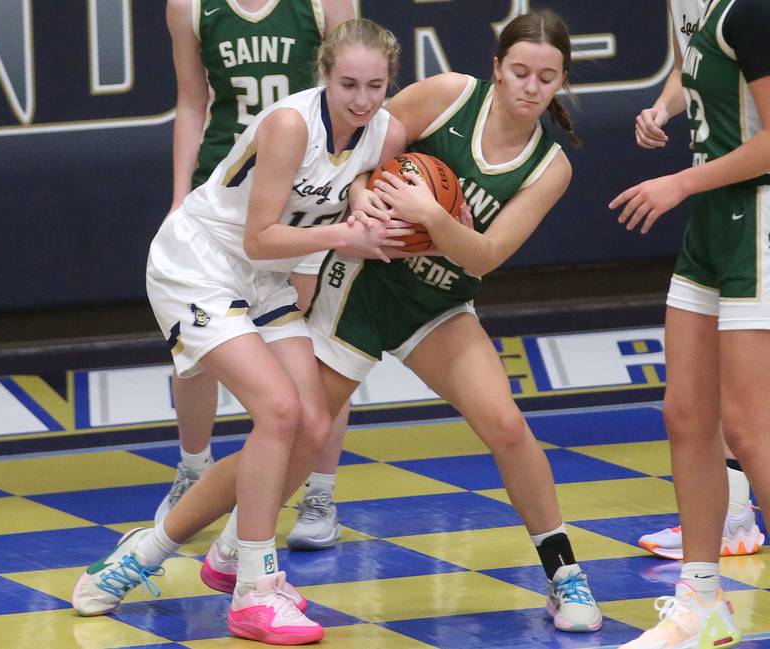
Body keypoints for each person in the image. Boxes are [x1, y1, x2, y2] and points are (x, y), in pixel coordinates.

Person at [73, 18, 408, 645]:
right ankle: (255, 590)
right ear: (324, 76)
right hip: (198, 265)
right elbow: (260, 236)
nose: (362, 100)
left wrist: (364, 198)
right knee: (279, 410)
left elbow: (361, 175)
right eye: (348, 85)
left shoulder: (382, 130)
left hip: (263, 281)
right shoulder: (289, 125)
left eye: (376, 86)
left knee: (313, 422)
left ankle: (162, 556)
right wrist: (348, 235)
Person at [301, 9, 603, 633]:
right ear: (497, 68)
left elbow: (484, 256)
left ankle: (564, 573)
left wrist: (428, 215)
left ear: (561, 82)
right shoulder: (448, 95)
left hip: (438, 302)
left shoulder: (551, 168)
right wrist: (366, 204)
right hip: (366, 282)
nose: (530, 86)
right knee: (295, 433)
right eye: (519, 71)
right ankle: (183, 549)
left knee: (508, 426)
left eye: (546, 78)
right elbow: (359, 154)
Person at [156, 0, 356, 526]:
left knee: (316, 355)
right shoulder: (191, 8)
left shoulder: (324, 5)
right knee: (195, 350)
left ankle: (318, 490)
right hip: (228, 186)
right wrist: (180, 196)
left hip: (309, 195)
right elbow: (192, 102)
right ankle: (195, 470)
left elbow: (356, 92)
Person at [610, 0, 770, 645]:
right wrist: (667, 114)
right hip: (711, 222)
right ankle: (702, 602)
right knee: (686, 414)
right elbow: (697, 77)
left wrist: (680, 181)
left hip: (754, 219)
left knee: (751, 430)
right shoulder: (698, 10)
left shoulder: (752, 11)